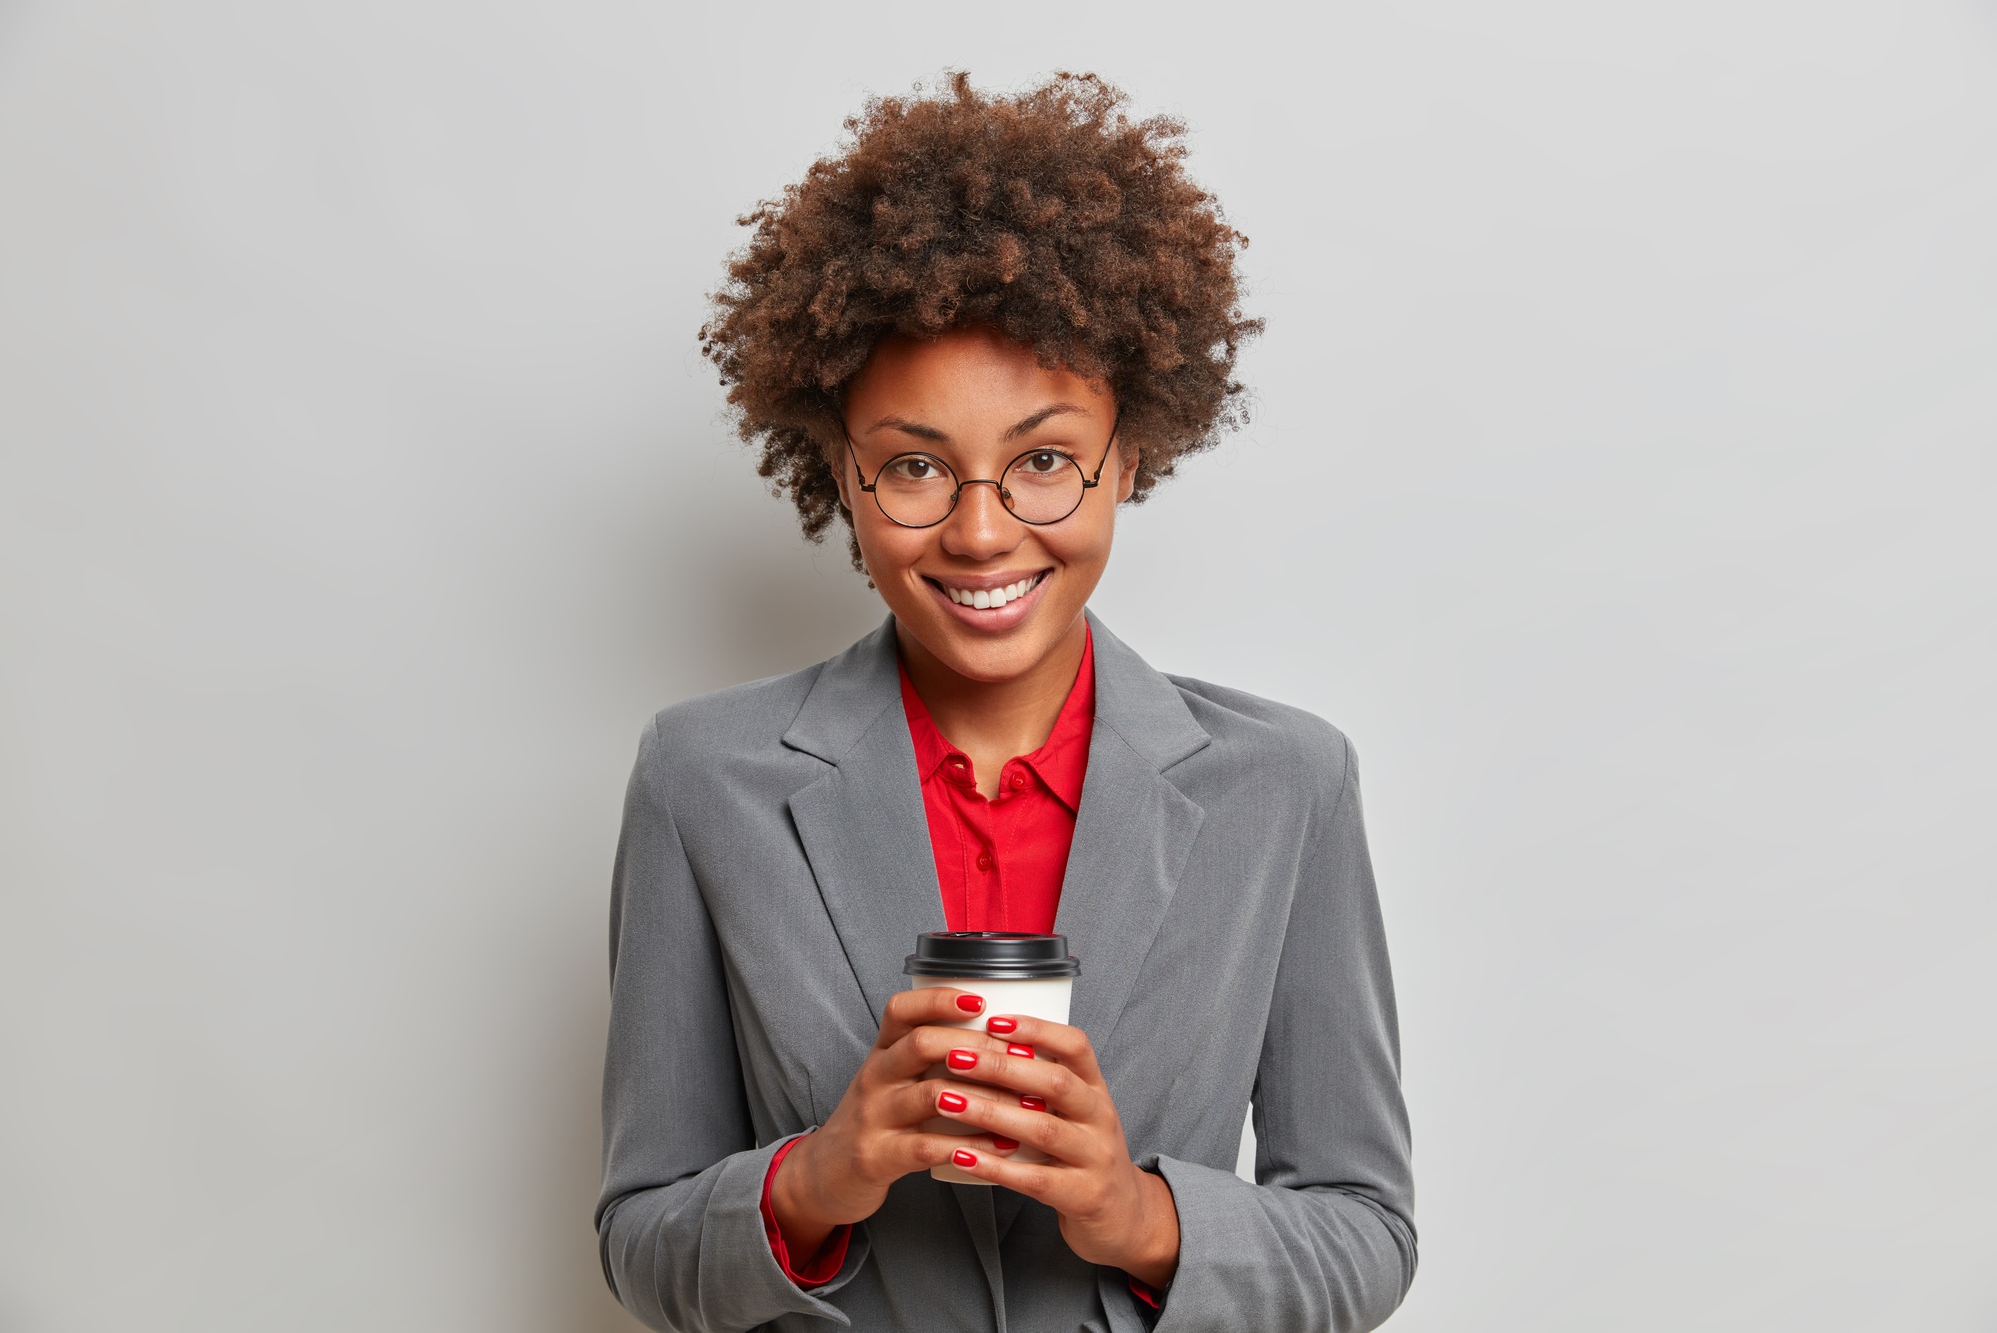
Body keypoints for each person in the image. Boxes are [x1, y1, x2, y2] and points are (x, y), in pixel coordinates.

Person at [596, 72, 1415, 1332]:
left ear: (1125, 459)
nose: (981, 533)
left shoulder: (1286, 785)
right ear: (843, 478)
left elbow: (1365, 1234)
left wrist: (1137, 1214)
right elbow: (641, 1237)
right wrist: (820, 1176)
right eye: (915, 466)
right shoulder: (702, 777)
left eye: (1041, 461)